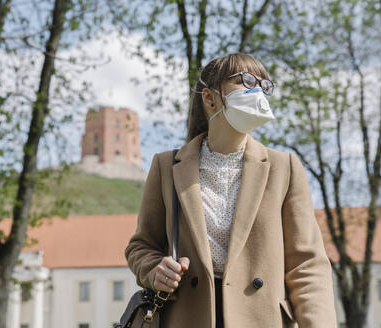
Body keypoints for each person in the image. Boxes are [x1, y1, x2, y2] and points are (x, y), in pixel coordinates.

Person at [124, 53, 337, 328]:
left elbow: (307, 266)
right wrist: (155, 271)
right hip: (187, 317)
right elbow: (141, 246)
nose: (257, 90)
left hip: (262, 319)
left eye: (263, 84)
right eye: (246, 81)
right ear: (210, 98)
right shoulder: (166, 166)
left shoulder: (285, 167)